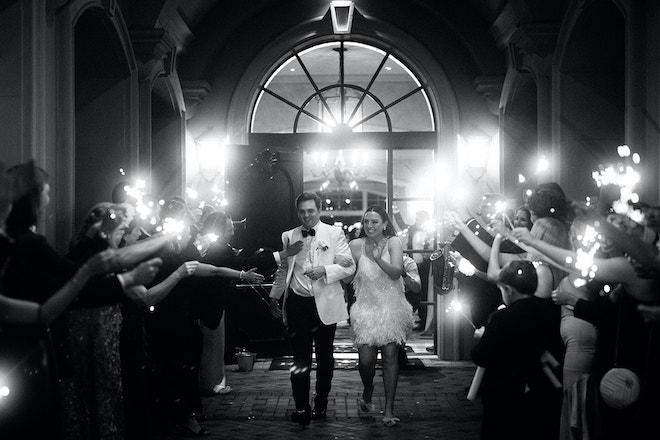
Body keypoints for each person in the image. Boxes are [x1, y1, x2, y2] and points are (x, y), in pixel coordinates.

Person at [268, 192, 355, 426]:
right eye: (302, 211)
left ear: (319, 210)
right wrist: (274, 296)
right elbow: (283, 271)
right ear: (298, 212)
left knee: (325, 357)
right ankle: (301, 406)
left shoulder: (334, 233)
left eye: (311, 211)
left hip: (325, 301)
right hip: (298, 302)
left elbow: (349, 267)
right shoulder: (289, 236)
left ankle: (321, 401)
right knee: (300, 358)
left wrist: (325, 271)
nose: (307, 215)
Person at [471, 260, 563, 440]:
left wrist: (483, 337)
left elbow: (480, 356)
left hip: (505, 395)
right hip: (539, 393)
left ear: (509, 290)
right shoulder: (547, 314)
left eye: (502, 290)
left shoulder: (502, 317)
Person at [347, 205, 413, 427]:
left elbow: (396, 273)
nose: (369, 226)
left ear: (385, 224)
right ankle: (368, 388)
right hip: (366, 310)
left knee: (390, 357)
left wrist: (378, 259)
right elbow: (347, 276)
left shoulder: (393, 242)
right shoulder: (355, 245)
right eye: (366, 221)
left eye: (374, 221)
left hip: (391, 308)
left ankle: (389, 409)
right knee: (365, 362)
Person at [398, 254, 421, 369]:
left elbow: (417, 288)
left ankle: (398, 349)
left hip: (404, 298)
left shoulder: (407, 262)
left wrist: (404, 274)